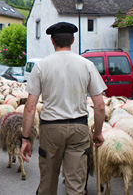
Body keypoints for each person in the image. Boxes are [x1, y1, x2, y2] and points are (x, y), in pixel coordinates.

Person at [20, 22, 106, 195]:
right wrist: (97, 132)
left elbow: (30, 107)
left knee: (48, 183)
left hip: (50, 129)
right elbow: (100, 105)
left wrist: (25, 138)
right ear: (73, 40)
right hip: (79, 128)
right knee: (76, 185)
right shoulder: (86, 65)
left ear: (52, 41)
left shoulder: (41, 66)